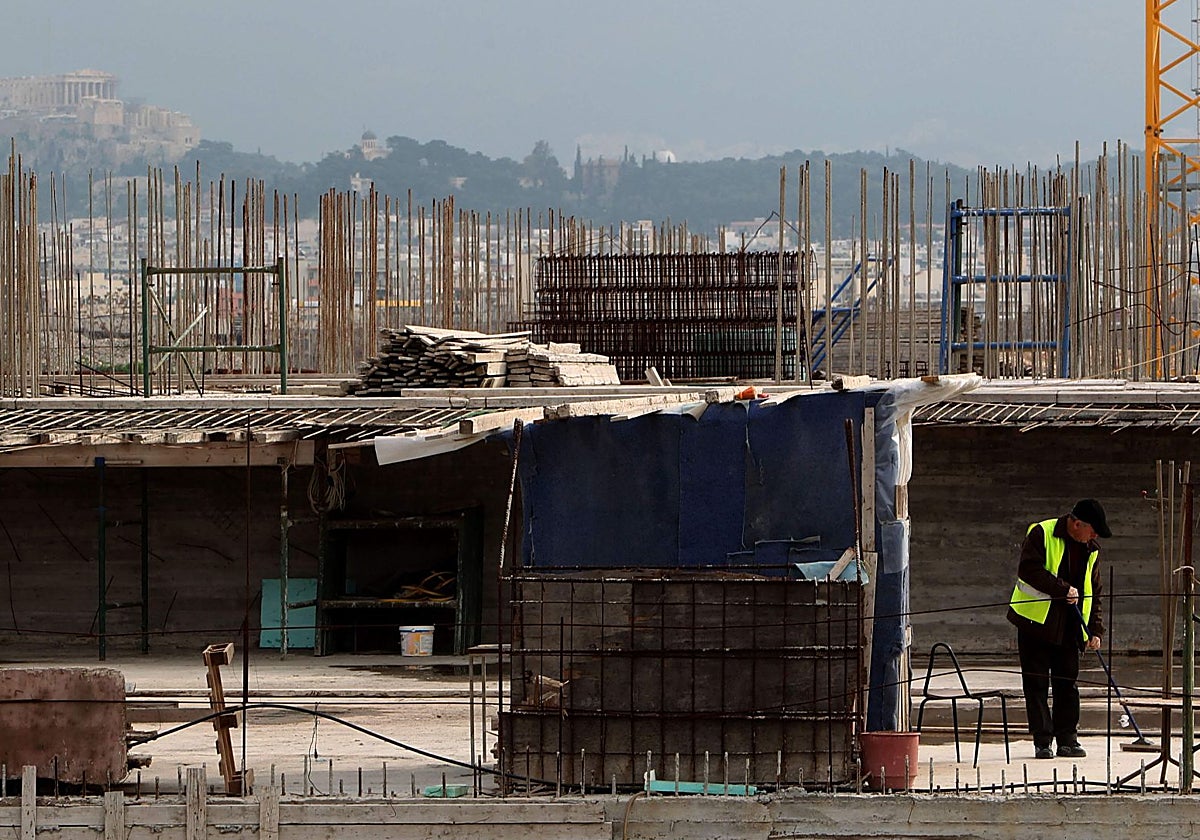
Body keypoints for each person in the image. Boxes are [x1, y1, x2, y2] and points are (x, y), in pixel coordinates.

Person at [1006, 498, 1110, 759]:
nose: (1095, 536)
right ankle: (1042, 741)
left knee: (1067, 684)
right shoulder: (1042, 533)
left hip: (1071, 626)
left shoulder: (1091, 549)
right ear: (1077, 524)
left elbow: (1095, 591)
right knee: (1036, 684)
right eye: (1093, 530)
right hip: (1035, 623)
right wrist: (1062, 589)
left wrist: (1095, 629)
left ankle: (1068, 739)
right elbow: (1028, 570)